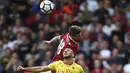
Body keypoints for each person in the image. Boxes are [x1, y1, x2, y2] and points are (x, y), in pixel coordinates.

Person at [17, 48, 85, 73]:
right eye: (64, 51)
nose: (65, 51)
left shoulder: (78, 68)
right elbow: (41, 68)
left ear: (73, 55)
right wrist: (24, 68)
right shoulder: (57, 64)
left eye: (68, 50)